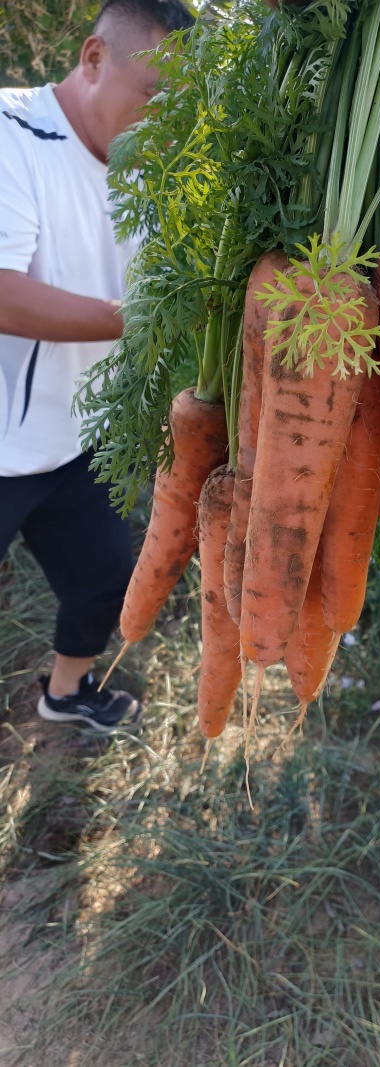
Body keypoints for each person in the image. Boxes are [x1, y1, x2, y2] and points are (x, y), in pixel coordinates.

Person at [0, 0, 196, 733]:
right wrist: (138, 320)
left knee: (107, 577)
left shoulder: (147, 172)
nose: (162, 121)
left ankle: (65, 692)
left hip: (80, 440)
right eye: (152, 95)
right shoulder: (11, 133)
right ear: (92, 59)